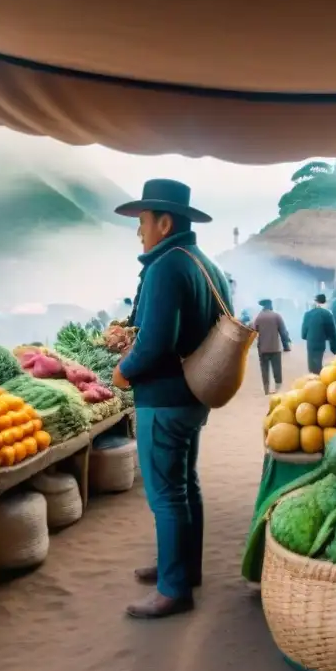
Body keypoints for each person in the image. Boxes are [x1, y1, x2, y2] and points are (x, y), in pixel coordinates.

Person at [111, 178, 231, 619]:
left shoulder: (165, 266)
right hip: (193, 394)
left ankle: (174, 588)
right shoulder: (204, 264)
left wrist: (124, 370)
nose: (139, 232)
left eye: (142, 222)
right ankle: (182, 568)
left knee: (165, 494)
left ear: (164, 222)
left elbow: (159, 340)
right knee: (185, 486)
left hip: (163, 398)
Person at [253, 299, 291, 394]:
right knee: (277, 368)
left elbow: (253, 331)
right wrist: (286, 346)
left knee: (264, 369)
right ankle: (277, 389)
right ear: (270, 305)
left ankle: (266, 389)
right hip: (275, 348)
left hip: (262, 348)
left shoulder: (258, 317)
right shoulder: (276, 316)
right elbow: (283, 332)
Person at [301, 294, 336, 373]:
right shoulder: (327, 314)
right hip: (320, 343)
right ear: (325, 302)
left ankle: (313, 378)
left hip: (310, 342)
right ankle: (318, 379)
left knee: (312, 364)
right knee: (318, 363)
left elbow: (304, 332)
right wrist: (335, 350)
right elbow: (332, 333)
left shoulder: (308, 314)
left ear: (316, 301)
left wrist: (306, 336)